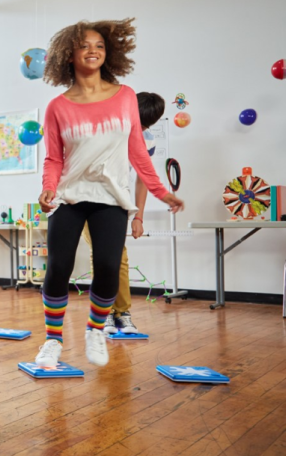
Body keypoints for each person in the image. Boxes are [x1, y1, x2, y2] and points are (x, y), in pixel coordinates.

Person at [36, 19, 184, 368]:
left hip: (111, 197)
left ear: (109, 53)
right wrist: (48, 188)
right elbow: (54, 158)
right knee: (58, 267)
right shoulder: (58, 106)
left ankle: (95, 330)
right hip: (69, 195)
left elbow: (137, 151)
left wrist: (160, 192)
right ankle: (53, 340)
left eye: (100, 45)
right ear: (68, 54)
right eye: (85, 45)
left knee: (107, 266)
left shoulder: (125, 96)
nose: (93, 50)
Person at [81, 92, 166, 335]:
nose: (141, 130)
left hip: (116, 201)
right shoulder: (102, 129)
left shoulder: (147, 139)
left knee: (119, 256)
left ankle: (121, 313)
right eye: (138, 123)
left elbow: (143, 178)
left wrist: (139, 216)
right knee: (103, 256)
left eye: (146, 126)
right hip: (85, 197)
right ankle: (105, 311)